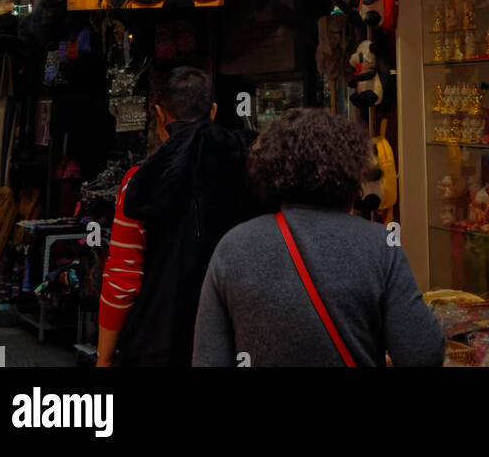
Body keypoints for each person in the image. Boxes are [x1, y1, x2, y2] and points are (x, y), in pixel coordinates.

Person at [193, 108, 445, 367]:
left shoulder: (234, 245)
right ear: (351, 170)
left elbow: (208, 358)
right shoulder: (380, 244)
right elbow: (422, 354)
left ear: (269, 170)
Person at [97, 66, 251, 368]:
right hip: (235, 338)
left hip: (156, 342)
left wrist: (103, 358)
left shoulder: (138, 181)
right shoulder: (249, 165)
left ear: (160, 115)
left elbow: (123, 277)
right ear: (214, 111)